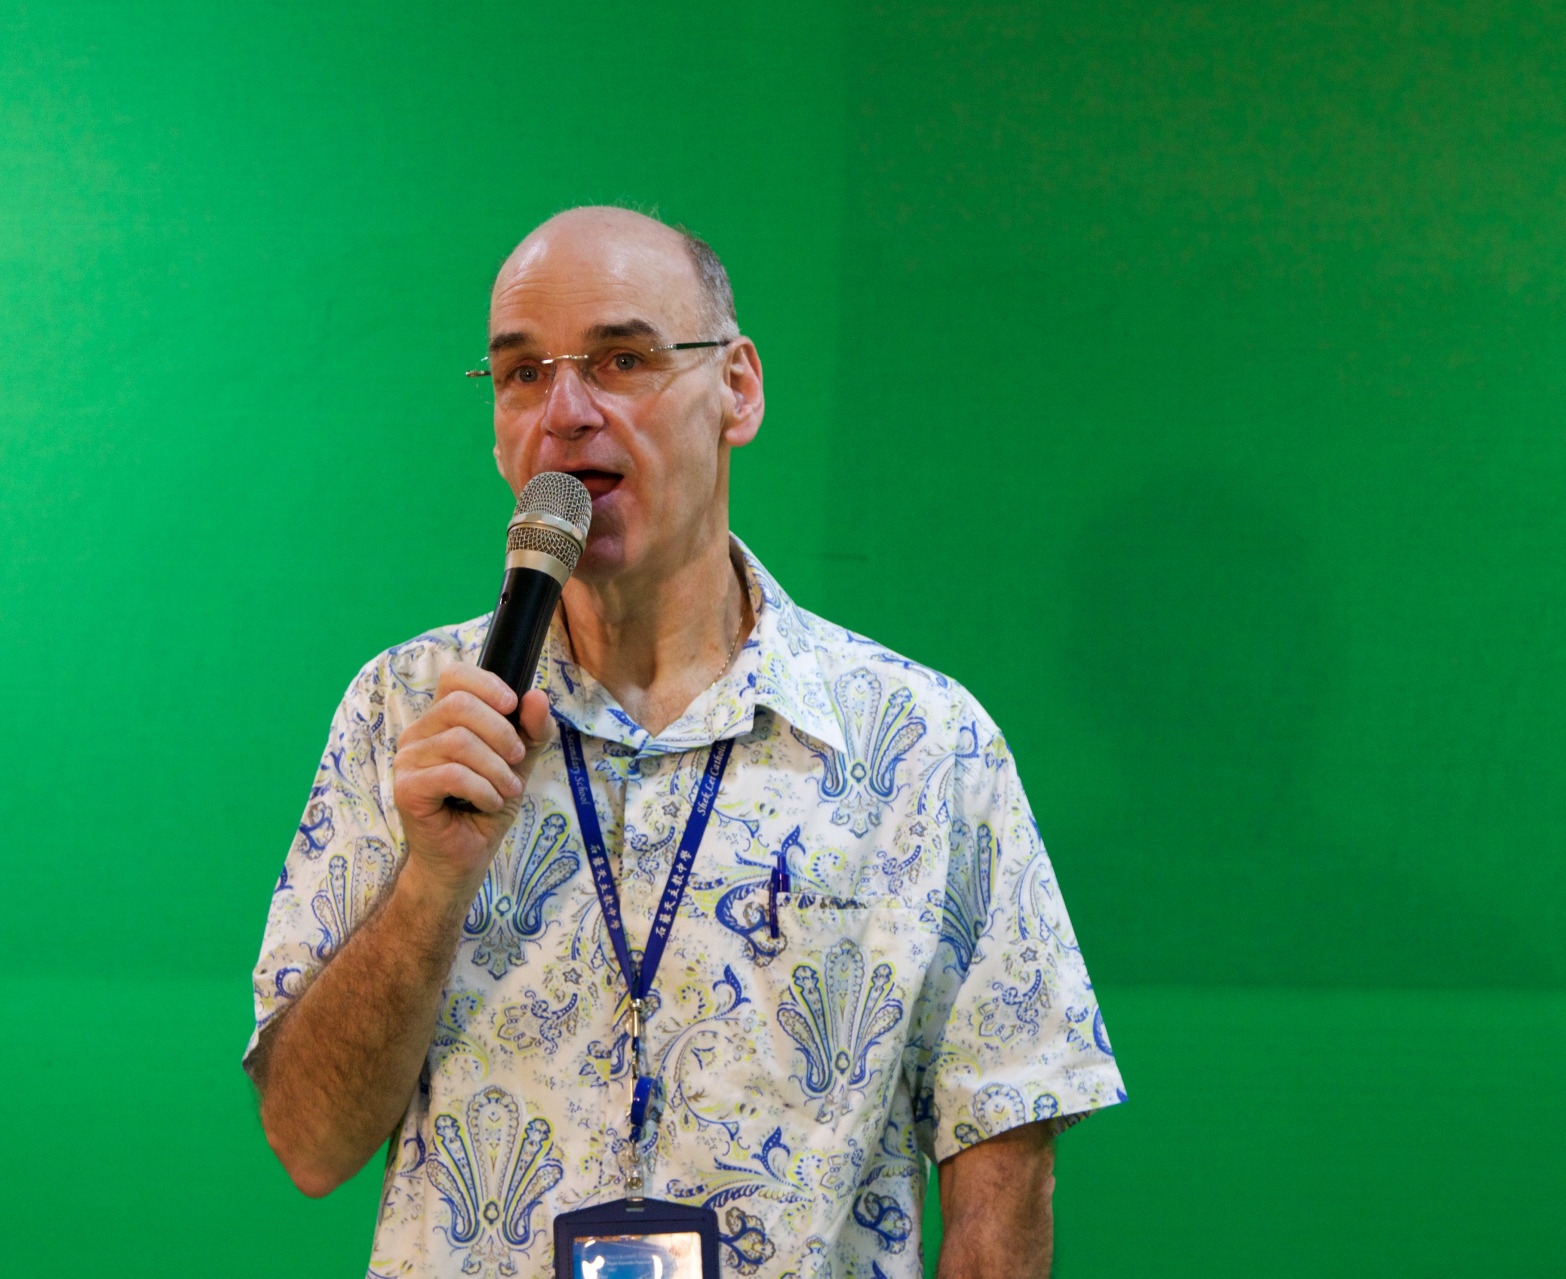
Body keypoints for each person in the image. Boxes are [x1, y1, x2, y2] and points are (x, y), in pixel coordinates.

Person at [245, 206, 1125, 1279]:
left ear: (737, 389)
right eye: (521, 374)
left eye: (621, 359)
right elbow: (309, 1142)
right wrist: (430, 882)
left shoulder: (924, 744)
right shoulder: (404, 713)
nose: (565, 413)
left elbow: (1002, 1176)